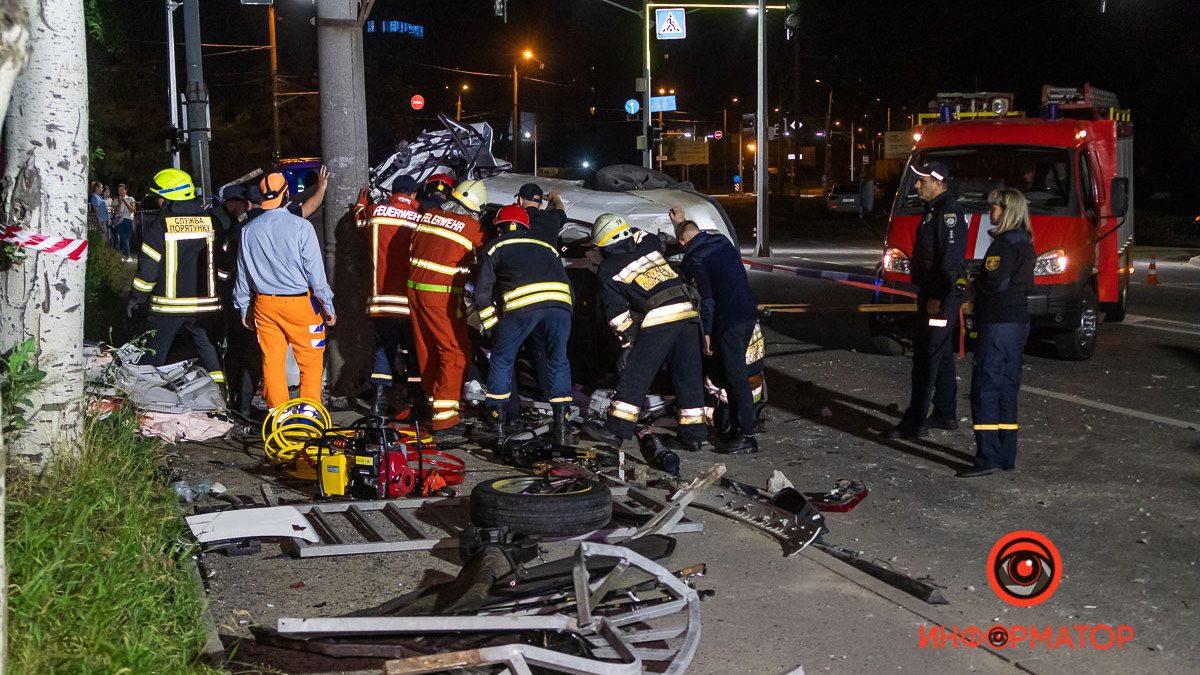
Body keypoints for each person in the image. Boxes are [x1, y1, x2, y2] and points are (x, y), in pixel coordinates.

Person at [581, 214, 708, 451]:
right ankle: (694, 435)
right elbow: (645, 234)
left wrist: (628, 343)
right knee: (687, 375)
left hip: (662, 315)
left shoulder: (609, 268)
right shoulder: (648, 246)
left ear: (605, 246)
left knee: (636, 374)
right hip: (688, 309)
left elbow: (617, 314)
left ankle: (616, 429)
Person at [473, 204, 574, 444]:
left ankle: (496, 421)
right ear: (526, 226)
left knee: (502, 358)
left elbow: (481, 295)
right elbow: (568, 286)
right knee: (558, 360)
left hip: (521, 306)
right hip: (561, 305)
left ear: (499, 228)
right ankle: (561, 426)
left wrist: (492, 326)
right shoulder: (547, 246)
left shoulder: (496, 246)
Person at [234, 172, 336, 410]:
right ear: (286, 194)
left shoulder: (249, 230)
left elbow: (243, 274)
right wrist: (328, 305)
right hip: (299, 305)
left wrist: (243, 308)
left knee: (272, 362)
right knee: (310, 361)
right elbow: (315, 273)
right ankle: (309, 417)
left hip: (264, 306)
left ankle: (278, 416)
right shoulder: (301, 226)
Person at [886, 160, 968, 440]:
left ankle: (915, 421)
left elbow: (951, 260)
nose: (918, 185)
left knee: (926, 357)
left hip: (939, 297)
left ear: (939, 182)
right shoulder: (934, 211)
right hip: (933, 294)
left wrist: (936, 296)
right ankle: (945, 413)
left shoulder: (948, 213)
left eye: (923, 181)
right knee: (941, 353)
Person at [959, 188, 1035, 478]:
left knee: (985, 389)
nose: (990, 212)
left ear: (1007, 211)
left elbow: (996, 283)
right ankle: (1006, 454)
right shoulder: (1025, 243)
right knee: (1006, 387)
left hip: (998, 324)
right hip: (1016, 322)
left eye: (994, 208)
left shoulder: (1004, 245)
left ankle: (988, 456)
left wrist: (972, 286)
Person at [672, 208, 761, 454]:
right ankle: (736, 427)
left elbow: (707, 299)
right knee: (731, 376)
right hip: (747, 316)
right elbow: (692, 234)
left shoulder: (696, 259)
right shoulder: (721, 242)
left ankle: (747, 436)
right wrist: (681, 222)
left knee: (736, 378)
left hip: (728, 322)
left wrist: (707, 333)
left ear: (681, 243)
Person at [128, 169, 224, 385]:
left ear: (170, 197)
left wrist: (137, 298)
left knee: (154, 355)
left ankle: (147, 396)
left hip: (168, 308)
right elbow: (223, 264)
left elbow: (148, 271)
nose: (159, 202)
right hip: (205, 306)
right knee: (209, 354)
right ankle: (220, 396)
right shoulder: (212, 221)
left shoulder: (160, 226)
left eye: (160, 197)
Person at [407, 178, 487, 434]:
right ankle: (445, 420)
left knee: (428, 348)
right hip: (442, 295)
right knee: (454, 352)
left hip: (415, 290)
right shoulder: (472, 228)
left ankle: (436, 403)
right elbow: (482, 268)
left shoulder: (429, 215)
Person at [362, 175, 425, 417]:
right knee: (414, 351)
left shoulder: (376, 212)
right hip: (409, 303)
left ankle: (378, 405)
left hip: (381, 302)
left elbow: (360, 222)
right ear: (413, 195)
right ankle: (418, 404)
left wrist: (361, 205)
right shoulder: (419, 220)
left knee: (383, 351)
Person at [516, 182, 568, 247]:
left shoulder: (512, 218)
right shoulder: (552, 219)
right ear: (541, 204)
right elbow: (560, 211)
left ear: (520, 200)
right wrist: (556, 197)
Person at [112, 183, 137, 261]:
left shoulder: (131, 199)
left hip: (128, 220)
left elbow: (132, 210)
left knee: (126, 239)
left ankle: (123, 255)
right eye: (119, 190)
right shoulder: (115, 200)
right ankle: (129, 256)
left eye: (122, 189)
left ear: (126, 190)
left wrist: (125, 201)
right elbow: (115, 212)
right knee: (123, 237)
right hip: (119, 221)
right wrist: (120, 202)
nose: (121, 191)